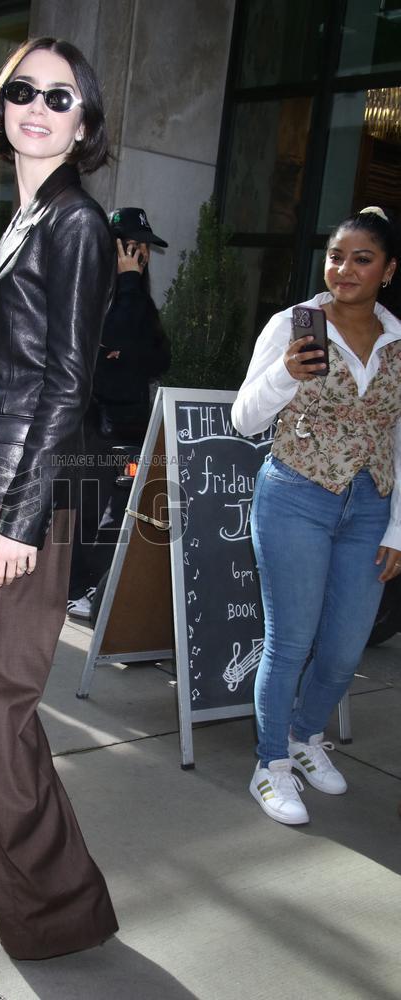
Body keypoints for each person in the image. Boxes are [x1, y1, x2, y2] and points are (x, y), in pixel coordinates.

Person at [0, 37, 118, 960]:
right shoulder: (22, 218)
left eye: (60, 96)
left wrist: (21, 521)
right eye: (22, 91)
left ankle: (57, 904)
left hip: (22, 496)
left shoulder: (76, 223)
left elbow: (68, 383)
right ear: (0, 108)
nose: (37, 107)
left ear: (83, 124)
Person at [232, 207, 401, 826]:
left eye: (362, 258)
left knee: (343, 646)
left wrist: (399, 526)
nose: (345, 269)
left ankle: (306, 739)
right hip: (296, 496)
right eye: (336, 256)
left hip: (370, 508)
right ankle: (270, 765)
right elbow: (244, 418)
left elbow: (400, 435)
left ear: (388, 269)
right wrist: (284, 374)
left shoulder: (398, 340)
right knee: (290, 641)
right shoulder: (294, 325)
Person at [67, 207, 171, 619]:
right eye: (133, 247)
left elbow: (159, 357)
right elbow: (112, 340)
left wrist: (122, 352)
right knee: (88, 512)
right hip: (95, 426)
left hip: (129, 425)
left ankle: (92, 587)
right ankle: (74, 588)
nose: (141, 255)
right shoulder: (96, 291)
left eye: (144, 247)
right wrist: (127, 285)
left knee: (116, 516)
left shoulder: (136, 298)